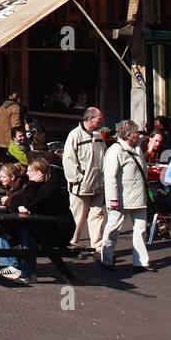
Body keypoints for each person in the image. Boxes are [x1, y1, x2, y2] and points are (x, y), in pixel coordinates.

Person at [0, 156, 69, 284]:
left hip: (58, 230)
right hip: (43, 225)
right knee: (0, 229)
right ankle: (13, 265)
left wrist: (31, 185)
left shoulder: (50, 187)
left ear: (39, 173)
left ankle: (29, 272)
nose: (27, 173)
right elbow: (15, 202)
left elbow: (30, 203)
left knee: (27, 229)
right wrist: (20, 204)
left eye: (30, 171)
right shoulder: (34, 186)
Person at [96, 120, 153, 273]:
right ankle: (105, 258)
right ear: (128, 135)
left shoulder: (137, 149)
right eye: (136, 133)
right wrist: (113, 198)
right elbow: (110, 176)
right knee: (113, 229)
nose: (138, 135)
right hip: (121, 196)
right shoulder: (116, 150)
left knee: (140, 229)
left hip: (138, 196)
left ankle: (141, 262)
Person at [62, 107, 107, 253]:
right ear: (90, 119)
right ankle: (72, 243)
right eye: (99, 119)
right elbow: (68, 159)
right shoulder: (75, 135)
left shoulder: (99, 136)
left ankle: (97, 246)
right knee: (77, 217)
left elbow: (104, 156)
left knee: (97, 215)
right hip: (82, 185)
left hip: (98, 183)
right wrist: (77, 179)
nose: (102, 122)